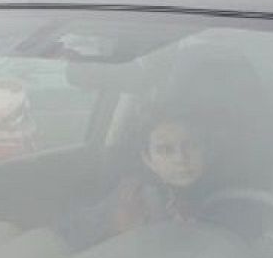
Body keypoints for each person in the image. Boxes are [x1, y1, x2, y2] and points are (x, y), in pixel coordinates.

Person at [60, 102, 216, 249]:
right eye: (165, 150)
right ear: (148, 160)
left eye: (191, 145)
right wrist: (119, 229)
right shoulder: (137, 197)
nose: (181, 158)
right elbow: (71, 232)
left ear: (205, 149)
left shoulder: (218, 190)